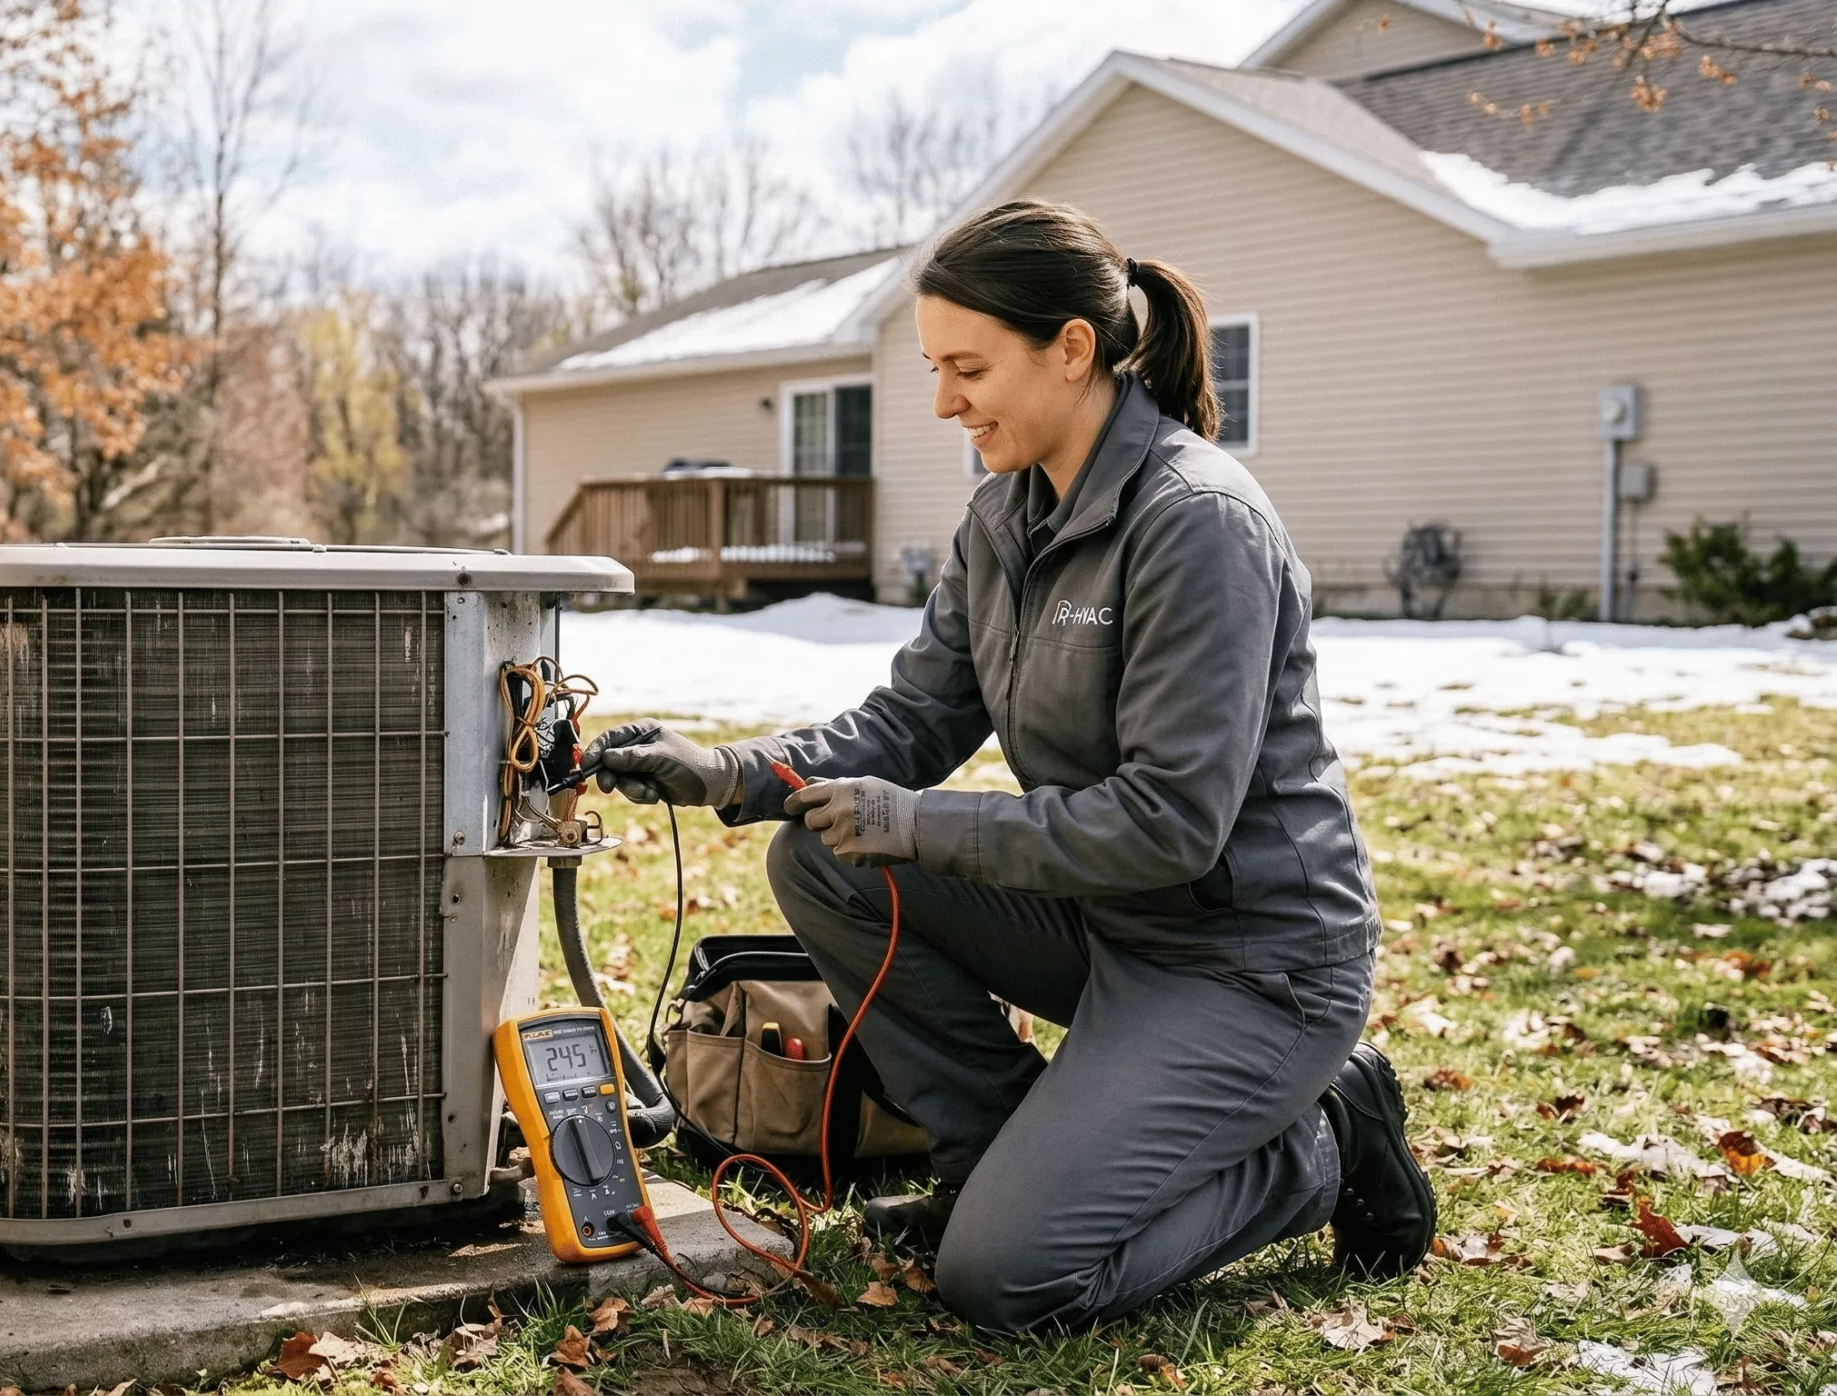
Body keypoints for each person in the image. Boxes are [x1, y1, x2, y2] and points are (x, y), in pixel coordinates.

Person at [581, 199, 1433, 1335]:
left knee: (1009, 1281)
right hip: (1104, 924)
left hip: (1248, 965)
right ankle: (987, 1156)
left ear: (1071, 349)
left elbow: (1171, 822)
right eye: (934, 368)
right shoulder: (1002, 520)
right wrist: (728, 773)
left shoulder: (1198, 522)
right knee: (822, 859)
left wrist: (916, 822)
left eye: (968, 368)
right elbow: (911, 720)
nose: (945, 401)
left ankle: (1322, 1140)